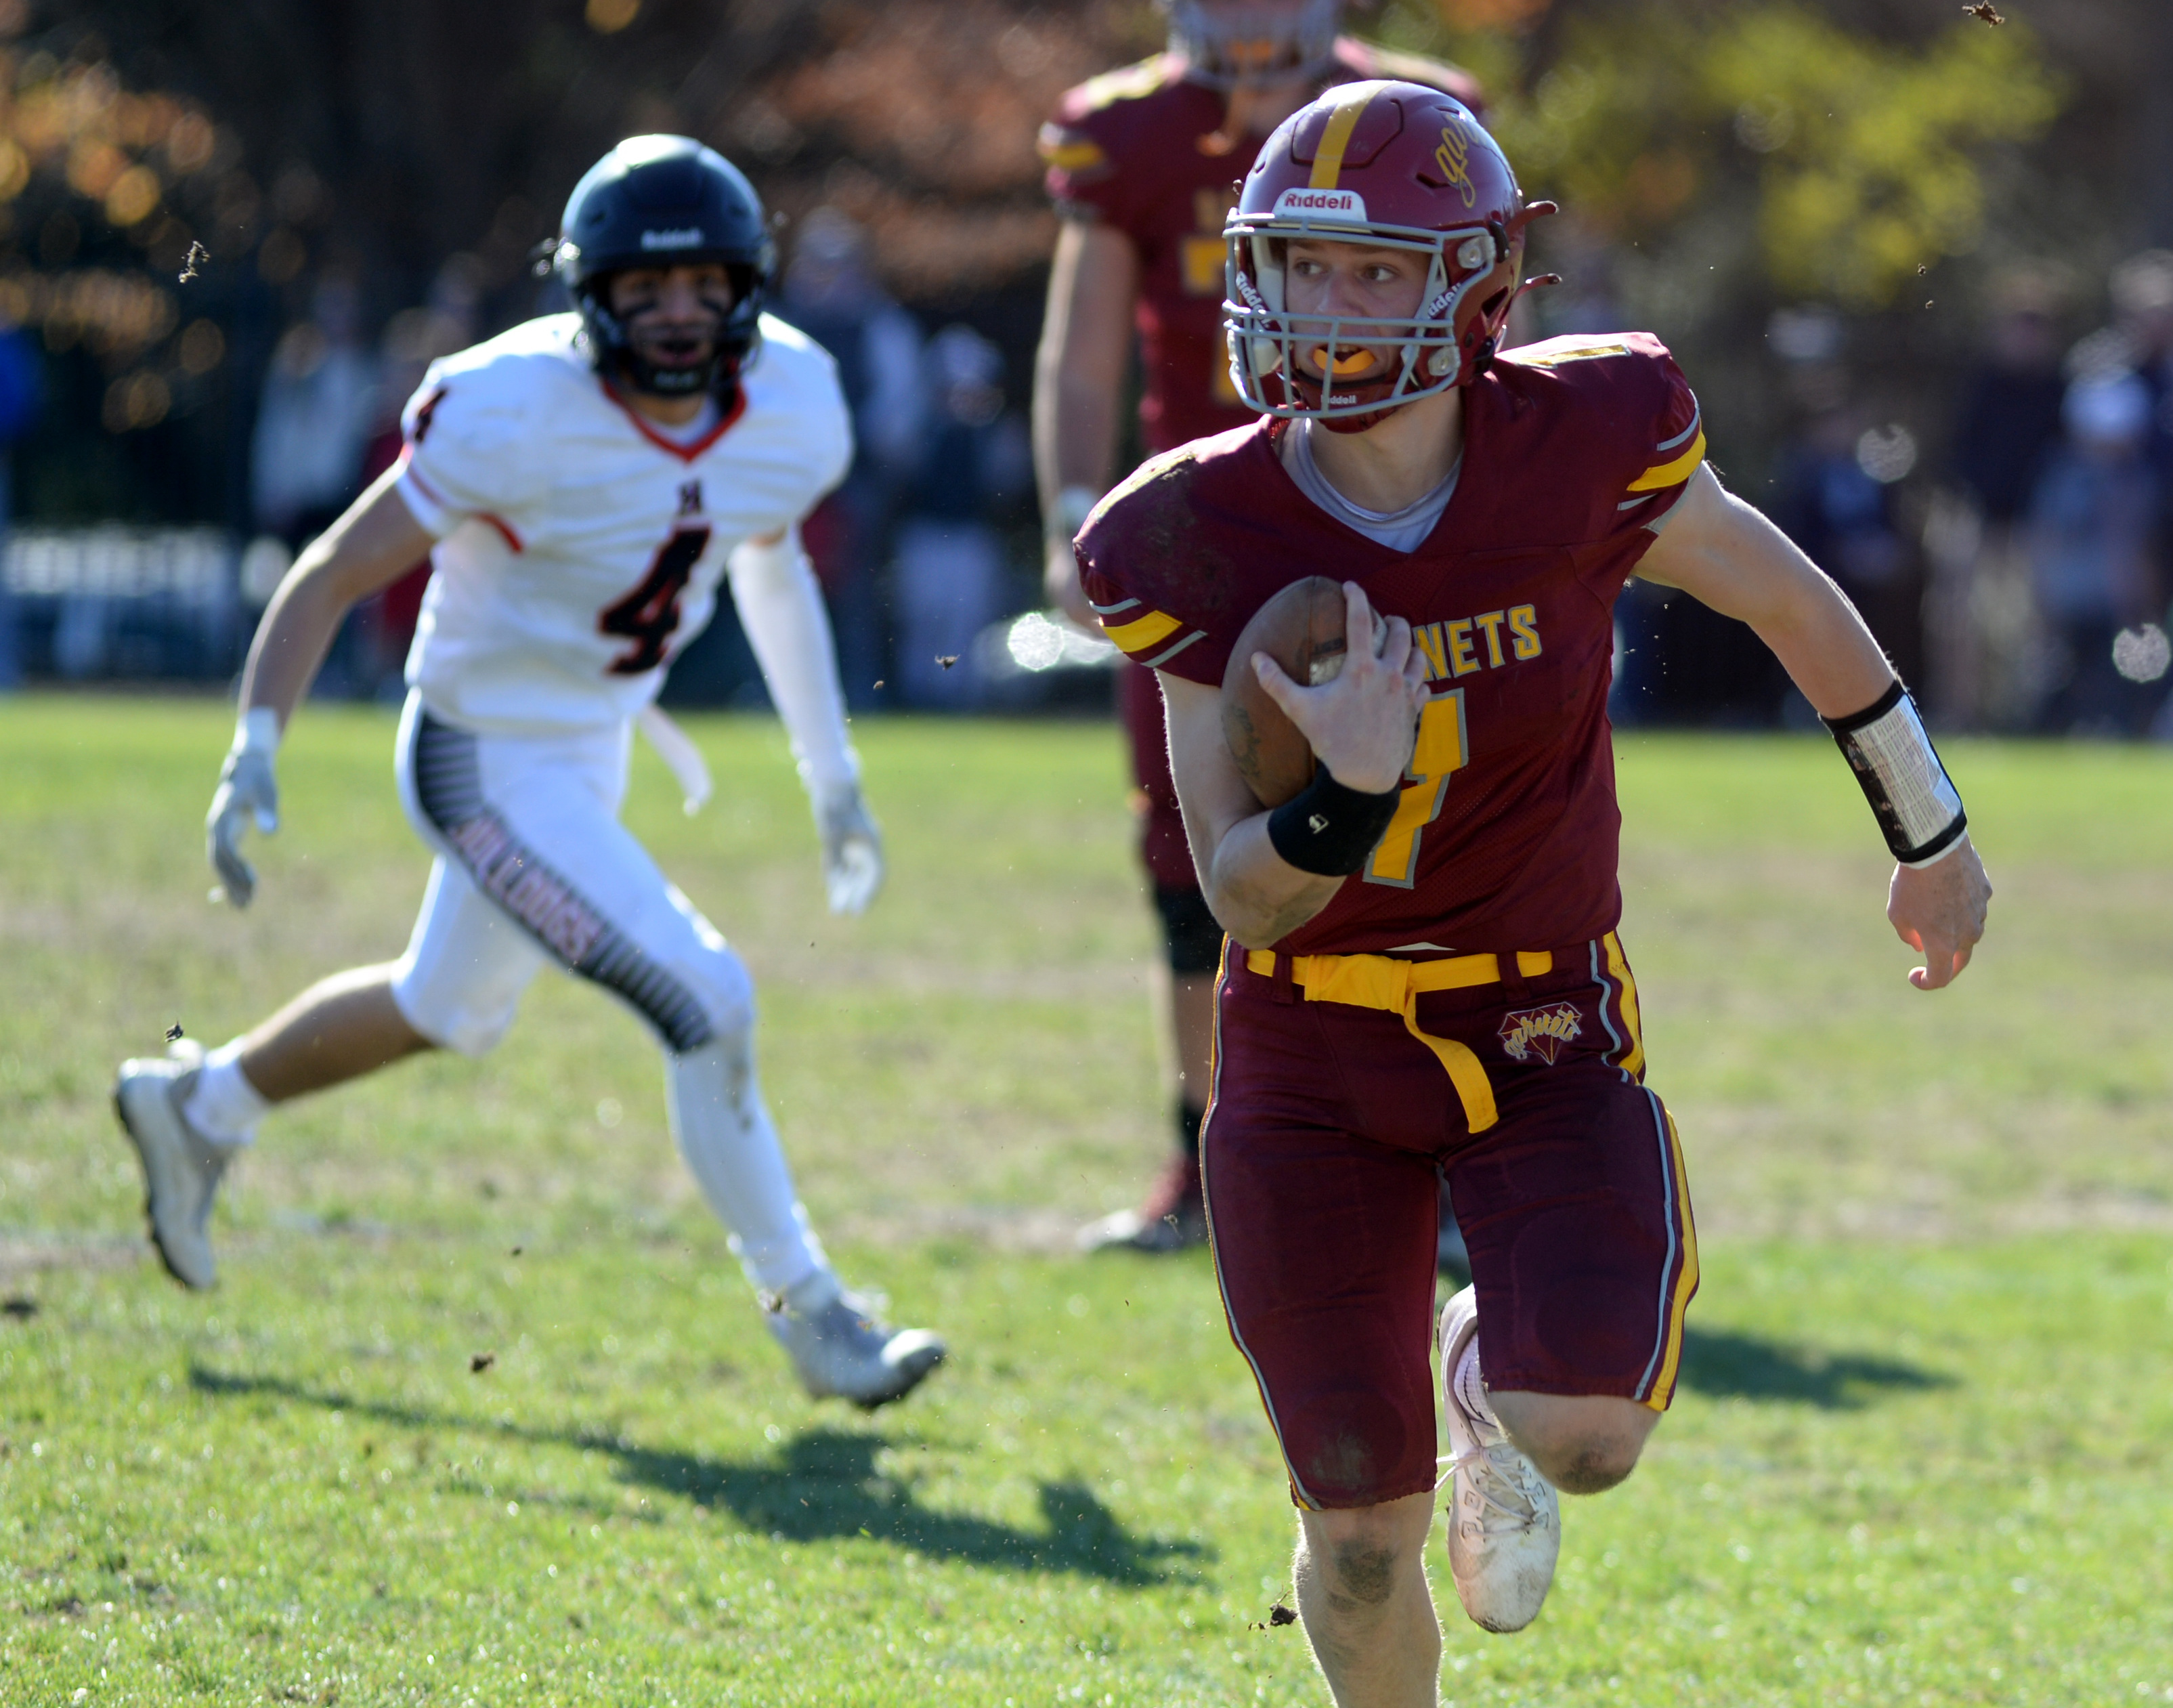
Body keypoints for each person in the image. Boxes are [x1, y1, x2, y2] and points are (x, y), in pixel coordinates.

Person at [1073, 83, 1991, 1703]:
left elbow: (1789, 599)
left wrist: (1930, 833)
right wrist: (1348, 787)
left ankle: (1486, 1377)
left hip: (1542, 1018)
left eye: (1375, 273)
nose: (1324, 307)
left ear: (1482, 290)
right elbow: (1241, 894)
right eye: (1299, 265)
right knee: (1358, 1534)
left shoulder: (1583, 441)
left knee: (1591, 1435)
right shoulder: (1189, 527)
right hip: (1307, 1055)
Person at [112, 136, 946, 1411]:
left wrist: (829, 771)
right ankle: (811, 1310)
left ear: (746, 289)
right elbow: (338, 566)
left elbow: (768, 560)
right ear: (589, 296)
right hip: (478, 757)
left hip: (591, 746)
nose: (677, 317)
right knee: (708, 1001)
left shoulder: (791, 402)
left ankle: (200, 1105)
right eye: (644, 291)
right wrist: (255, 745)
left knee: (440, 1005)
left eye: (700, 288)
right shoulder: (510, 407)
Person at [1034, 0, 1482, 1255]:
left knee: (1424, 842)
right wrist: (1072, 514)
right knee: (1194, 858)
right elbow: (1080, 356)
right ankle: (1206, 1155)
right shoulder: (1123, 134)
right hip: (1204, 535)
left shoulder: (1420, 117)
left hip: (1381, 516)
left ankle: (1444, 1151)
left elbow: (1493, 342)